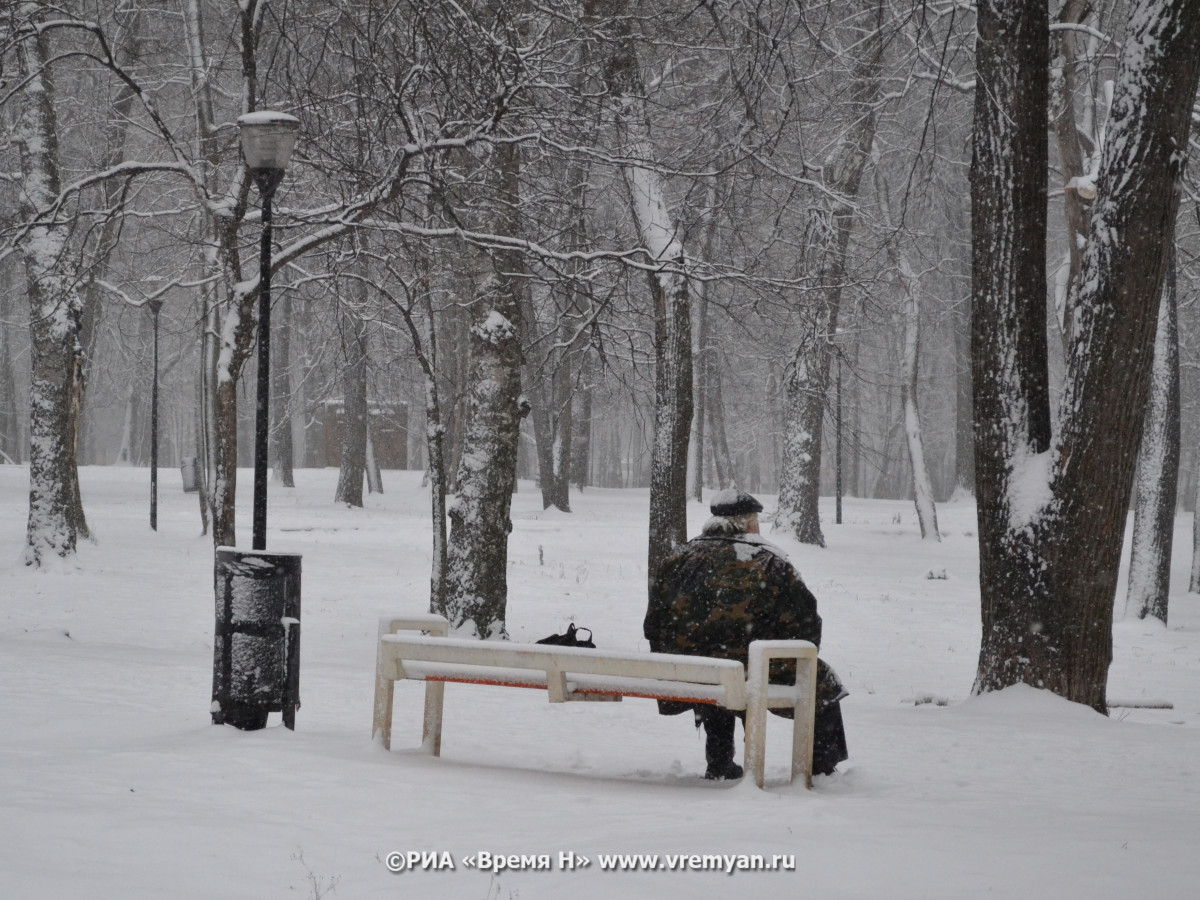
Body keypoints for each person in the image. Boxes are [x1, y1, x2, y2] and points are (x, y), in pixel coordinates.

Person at [644, 490, 849, 780]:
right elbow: (806, 627)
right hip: (750, 668)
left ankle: (719, 761)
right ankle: (822, 767)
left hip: (690, 669)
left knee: (717, 669)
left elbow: (652, 624)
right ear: (749, 523)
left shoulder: (676, 559)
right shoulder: (770, 562)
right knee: (821, 678)